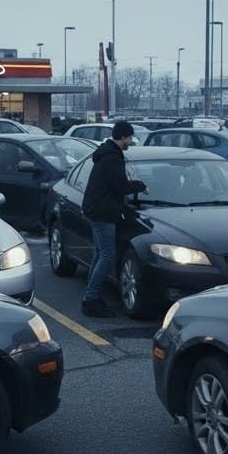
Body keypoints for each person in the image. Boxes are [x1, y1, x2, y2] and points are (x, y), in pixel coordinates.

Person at [79, 120, 146, 317]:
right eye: (130, 138)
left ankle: (91, 295)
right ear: (123, 137)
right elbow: (120, 186)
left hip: (95, 210)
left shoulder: (106, 154)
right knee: (107, 255)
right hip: (103, 213)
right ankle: (91, 299)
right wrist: (140, 186)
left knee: (100, 254)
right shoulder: (113, 158)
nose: (130, 142)